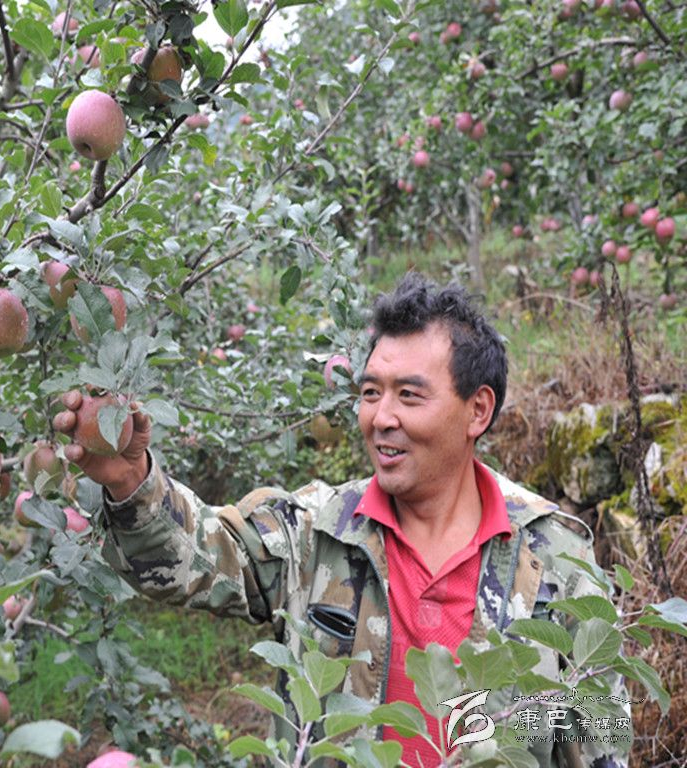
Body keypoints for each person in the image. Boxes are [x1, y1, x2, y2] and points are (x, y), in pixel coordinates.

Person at [53, 273, 630, 767]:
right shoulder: (317, 530)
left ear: (477, 410)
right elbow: (194, 559)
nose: (381, 417)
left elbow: (602, 734)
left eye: (409, 395)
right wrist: (131, 481)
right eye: (371, 392)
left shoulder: (553, 555)